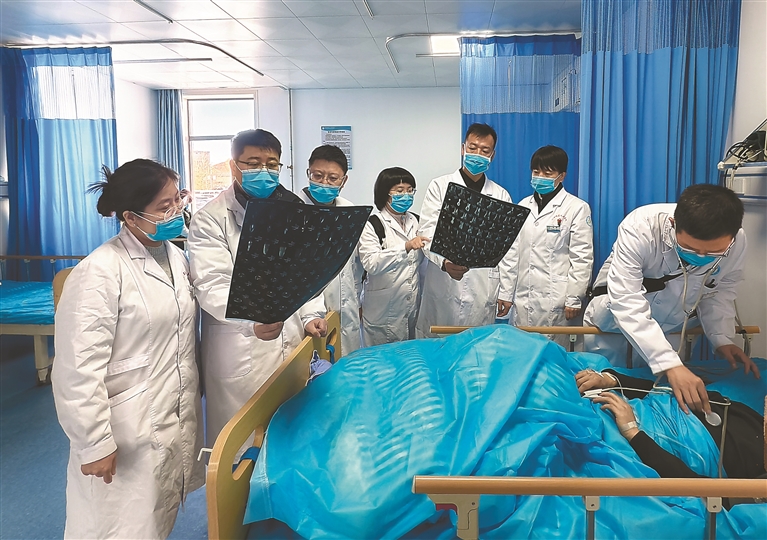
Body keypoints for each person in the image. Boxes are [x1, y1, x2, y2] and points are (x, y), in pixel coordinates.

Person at [52, 160, 203, 539]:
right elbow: (77, 368)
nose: (177, 211)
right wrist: (94, 442)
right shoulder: (99, 272)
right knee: (114, 527)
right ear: (131, 217)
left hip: (167, 412)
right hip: (124, 427)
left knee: (155, 518)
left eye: (178, 199)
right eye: (164, 206)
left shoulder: (175, 257)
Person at [188, 129, 327, 446]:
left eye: (272, 164)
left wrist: (310, 314)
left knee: (287, 438)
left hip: (289, 341)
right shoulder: (210, 219)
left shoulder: (290, 209)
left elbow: (302, 272)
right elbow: (211, 284)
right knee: (242, 449)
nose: (263, 171)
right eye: (252, 163)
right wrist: (252, 320)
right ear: (233, 166)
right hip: (241, 347)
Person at [583, 184, 760, 415]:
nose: (701, 257)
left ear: (732, 238)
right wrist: (668, 362)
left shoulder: (736, 242)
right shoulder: (641, 227)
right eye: (690, 249)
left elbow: (719, 291)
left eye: (712, 253)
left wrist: (721, 338)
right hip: (614, 325)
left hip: (673, 329)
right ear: (673, 223)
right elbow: (626, 299)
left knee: (661, 398)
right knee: (602, 391)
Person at [575, 368, 765, 488]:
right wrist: (613, 380)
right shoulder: (752, 418)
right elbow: (673, 392)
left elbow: (701, 487)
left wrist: (633, 433)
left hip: (651, 439)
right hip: (649, 405)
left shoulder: (757, 484)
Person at [416, 123, 515, 337]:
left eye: (484, 150)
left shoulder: (501, 195)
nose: (477, 154)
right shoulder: (439, 186)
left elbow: (509, 249)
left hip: (482, 286)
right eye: (472, 148)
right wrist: (444, 262)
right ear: (463, 149)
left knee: (476, 346)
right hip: (443, 284)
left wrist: (506, 292)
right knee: (438, 346)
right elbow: (427, 232)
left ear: (492, 155)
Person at [504, 145, 593, 344]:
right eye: (536, 172)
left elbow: (582, 257)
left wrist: (574, 298)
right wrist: (506, 294)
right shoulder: (522, 206)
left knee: (554, 353)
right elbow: (512, 254)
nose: (540, 177)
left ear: (562, 176)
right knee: (523, 350)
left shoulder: (576, 208)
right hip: (523, 297)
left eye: (548, 173)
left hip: (557, 299)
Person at [299, 144, 363, 355]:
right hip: (306, 316)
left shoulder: (349, 210)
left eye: (333, 178)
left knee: (348, 365)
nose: (324, 183)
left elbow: (355, 265)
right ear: (308, 173)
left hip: (347, 309)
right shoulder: (294, 211)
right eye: (318, 176)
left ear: (344, 181)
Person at [358, 167, 428, 346]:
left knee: (408, 356)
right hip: (381, 312)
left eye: (410, 190)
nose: (406, 195)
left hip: (411, 307)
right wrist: (405, 247)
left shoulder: (417, 221)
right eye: (399, 190)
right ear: (385, 193)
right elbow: (371, 263)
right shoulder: (373, 224)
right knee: (380, 359)